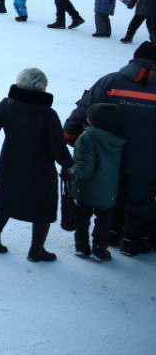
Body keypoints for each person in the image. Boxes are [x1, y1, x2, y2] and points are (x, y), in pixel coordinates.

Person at [63, 41, 156, 255]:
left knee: (113, 192)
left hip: (110, 157)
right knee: (140, 195)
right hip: (147, 159)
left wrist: (70, 135)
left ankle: (112, 231)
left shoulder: (111, 81)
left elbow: (84, 107)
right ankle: (132, 241)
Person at [0, 68, 73, 262]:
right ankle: (36, 251)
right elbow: (58, 147)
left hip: (10, 161)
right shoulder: (48, 114)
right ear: (42, 89)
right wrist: (69, 165)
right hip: (40, 168)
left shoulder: (5, 106)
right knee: (43, 207)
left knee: (6, 200)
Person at [68, 103, 125, 261]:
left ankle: (81, 245)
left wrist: (71, 173)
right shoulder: (117, 139)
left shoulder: (87, 137)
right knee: (104, 220)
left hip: (86, 188)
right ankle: (100, 249)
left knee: (82, 217)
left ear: (93, 121)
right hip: (108, 191)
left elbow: (85, 165)